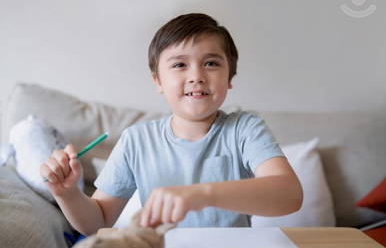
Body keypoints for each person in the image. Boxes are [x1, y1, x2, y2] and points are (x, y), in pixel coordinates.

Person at [40, 13, 303, 236]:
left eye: (211, 63)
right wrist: (68, 194)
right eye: (179, 64)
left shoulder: (245, 128)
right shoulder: (136, 140)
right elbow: (97, 221)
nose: (196, 76)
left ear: (230, 77)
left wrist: (202, 194)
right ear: (158, 81)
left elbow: (289, 195)